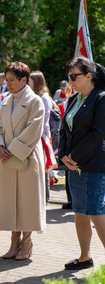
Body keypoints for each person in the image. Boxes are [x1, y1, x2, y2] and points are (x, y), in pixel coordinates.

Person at [0, 61, 46, 261]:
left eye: (12, 80)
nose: (8, 84)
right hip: (7, 157)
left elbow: (33, 130)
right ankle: (14, 241)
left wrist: (11, 149)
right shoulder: (6, 101)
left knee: (27, 201)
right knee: (10, 201)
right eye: (6, 80)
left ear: (24, 80)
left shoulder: (35, 102)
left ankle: (27, 243)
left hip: (27, 156)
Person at [59, 57, 105, 270]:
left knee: (96, 213)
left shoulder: (101, 98)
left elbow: (97, 134)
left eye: (74, 77)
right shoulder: (73, 99)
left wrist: (74, 157)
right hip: (73, 166)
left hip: (93, 164)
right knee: (80, 212)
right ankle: (85, 257)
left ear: (89, 76)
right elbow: (64, 130)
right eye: (69, 77)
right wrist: (63, 155)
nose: (71, 81)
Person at [29, 70, 57, 203]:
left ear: (36, 82)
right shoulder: (34, 96)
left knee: (43, 167)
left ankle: (44, 198)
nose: (27, 83)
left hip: (41, 136)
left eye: (29, 80)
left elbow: (43, 119)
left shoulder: (44, 98)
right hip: (35, 135)